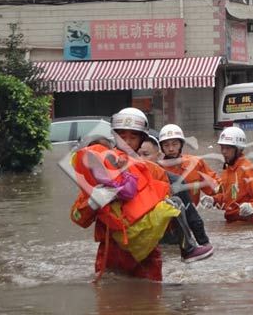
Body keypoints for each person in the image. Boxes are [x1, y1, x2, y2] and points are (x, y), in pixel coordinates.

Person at [70, 108, 212, 282]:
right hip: (111, 253)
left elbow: (170, 214)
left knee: (150, 304)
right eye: (122, 136)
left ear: (141, 139)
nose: (127, 142)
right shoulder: (101, 167)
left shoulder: (154, 172)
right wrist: (93, 202)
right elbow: (78, 217)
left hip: (148, 254)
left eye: (133, 137)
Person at [138, 135, 212, 247]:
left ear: (158, 156)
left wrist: (205, 244)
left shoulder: (174, 182)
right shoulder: (125, 181)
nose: (140, 159)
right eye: (136, 154)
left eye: (146, 155)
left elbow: (191, 216)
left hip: (168, 241)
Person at [200, 127, 253, 222]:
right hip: (231, 222)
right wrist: (214, 200)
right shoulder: (228, 170)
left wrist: (252, 206)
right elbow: (229, 198)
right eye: (222, 148)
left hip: (248, 224)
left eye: (228, 148)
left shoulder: (248, 169)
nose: (224, 152)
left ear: (238, 149)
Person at [158, 124, 221, 206]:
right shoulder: (157, 169)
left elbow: (216, 186)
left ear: (181, 145)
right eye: (166, 145)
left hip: (191, 213)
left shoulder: (195, 163)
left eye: (175, 144)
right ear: (162, 148)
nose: (171, 149)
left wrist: (214, 199)